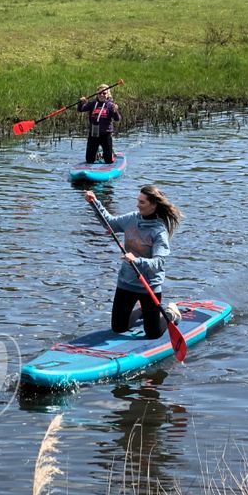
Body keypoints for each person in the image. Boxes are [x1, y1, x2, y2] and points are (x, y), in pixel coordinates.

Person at [85, 186, 182, 339]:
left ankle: (171, 314)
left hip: (148, 285)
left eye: (142, 202)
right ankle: (143, 310)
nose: (137, 205)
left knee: (153, 334)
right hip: (126, 282)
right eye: (138, 201)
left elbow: (159, 262)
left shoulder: (158, 231)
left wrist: (137, 260)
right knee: (118, 328)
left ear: (153, 205)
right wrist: (95, 203)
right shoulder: (132, 218)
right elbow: (109, 223)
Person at [77, 84, 121, 164]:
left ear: (107, 95)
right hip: (93, 134)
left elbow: (117, 119)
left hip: (106, 134)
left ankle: (111, 154)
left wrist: (115, 111)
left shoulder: (110, 105)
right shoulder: (92, 104)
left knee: (108, 161)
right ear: (97, 94)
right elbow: (80, 109)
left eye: (104, 93)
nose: (101, 95)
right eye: (100, 93)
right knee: (89, 160)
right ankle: (97, 155)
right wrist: (81, 102)